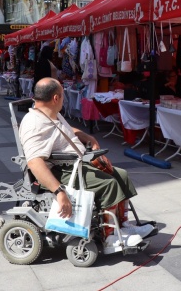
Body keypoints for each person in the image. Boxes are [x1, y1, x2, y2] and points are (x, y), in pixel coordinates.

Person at [19, 78, 154, 247]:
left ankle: (123, 225)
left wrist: (86, 136)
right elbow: (34, 162)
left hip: (75, 165)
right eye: (62, 96)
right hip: (62, 171)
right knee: (108, 184)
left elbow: (65, 130)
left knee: (122, 175)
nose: (63, 99)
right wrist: (59, 192)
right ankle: (110, 236)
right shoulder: (34, 124)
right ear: (55, 98)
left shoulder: (50, 113)